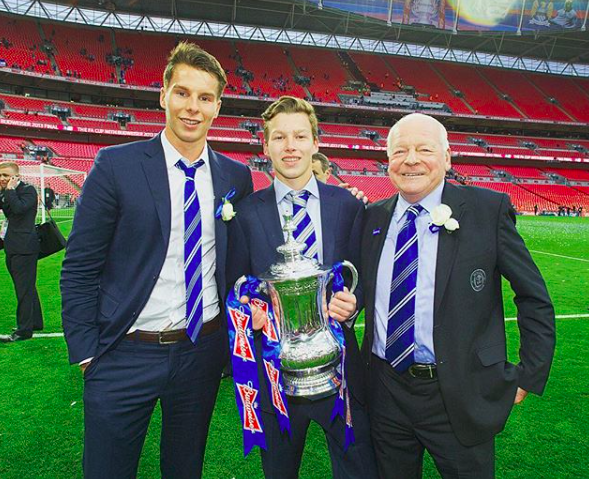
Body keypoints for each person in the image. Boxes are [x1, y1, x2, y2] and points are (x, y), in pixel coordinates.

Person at [60, 42, 253, 479]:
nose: (192, 108)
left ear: (218, 107)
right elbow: (80, 266)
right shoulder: (116, 165)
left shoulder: (235, 176)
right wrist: (87, 352)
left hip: (200, 351)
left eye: (205, 98)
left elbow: (241, 260)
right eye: (183, 93)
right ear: (163, 94)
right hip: (124, 351)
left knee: (184, 469)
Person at [360, 113, 556, 478]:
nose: (411, 159)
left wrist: (530, 372)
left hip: (460, 391)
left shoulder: (487, 210)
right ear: (387, 161)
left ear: (448, 158)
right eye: (399, 150)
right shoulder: (371, 217)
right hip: (385, 391)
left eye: (424, 149)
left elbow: (533, 295)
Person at [228, 96, 377, 479]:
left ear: (315, 142)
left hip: (340, 369)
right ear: (265, 146)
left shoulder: (347, 205)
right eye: (279, 137)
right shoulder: (245, 213)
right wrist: (251, 312)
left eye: (299, 136)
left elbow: (366, 276)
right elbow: (235, 283)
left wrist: (353, 301)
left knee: (358, 467)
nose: (290, 146)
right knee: (279, 469)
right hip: (275, 369)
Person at [0, 162, 43, 342]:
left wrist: (10, 191)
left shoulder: (28, 190)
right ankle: (35, 322)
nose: (2, 179)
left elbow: (18, 209)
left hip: (24, 247)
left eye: (6, 175)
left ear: (16, 176)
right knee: (27, 287)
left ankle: (24, 331)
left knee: (23, 290)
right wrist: (7, 192)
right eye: (0, 176)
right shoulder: (4, 192)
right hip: (12, 245)